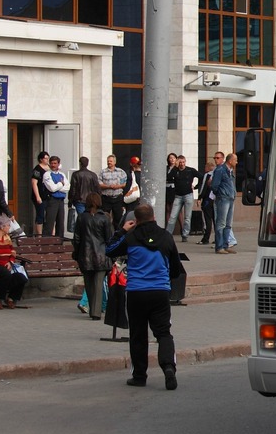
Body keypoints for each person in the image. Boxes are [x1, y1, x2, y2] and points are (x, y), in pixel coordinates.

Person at [105, 203, 180, 390]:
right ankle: (168, 367)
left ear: (135, 220)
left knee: (138, 335)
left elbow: (109, 250)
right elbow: (176, 269)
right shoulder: (166, 237)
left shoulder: (130, 237)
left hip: (136, 292)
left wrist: (122, 231)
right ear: (154, 217)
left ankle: (139, 376)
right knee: (163, 333)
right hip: (160, 292)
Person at [72, 192, 114, 321]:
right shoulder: (104, 218)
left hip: (85, 255)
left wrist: (77, 253)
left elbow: (77, 238)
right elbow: (109, 239)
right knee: (98, 284)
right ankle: (96, 312)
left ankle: (92, 310)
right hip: (102, 256)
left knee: (89, 284)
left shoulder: (81, 218)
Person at [0, 214, 28, 310]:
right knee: (5, 275)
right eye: (8, 225)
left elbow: (12, 252)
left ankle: (11, 298)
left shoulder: (7, 237)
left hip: (7, 264)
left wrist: (10, 262)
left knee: (22, 277)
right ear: (2, 226)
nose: (9, 227)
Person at [165, 155, 200, 242]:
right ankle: (168, 234)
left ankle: (185, 235)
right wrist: (175, 167)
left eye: (183, 162)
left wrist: (196, 187)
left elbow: (201, 176)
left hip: (188, 195)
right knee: (173, 216)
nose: (182, 164)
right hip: (178, 196)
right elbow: (169, 176)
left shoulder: (190, 170)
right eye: (180, 162)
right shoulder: (175, 170)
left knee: (187, 217)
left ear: (185, 162)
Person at [213, 152, 238, 254]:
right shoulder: (221, 170)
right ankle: (219, 247)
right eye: (235, 160)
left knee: (228, 224)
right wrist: (220, 194)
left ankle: (225, 245)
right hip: (223, 198)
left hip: (230, 198)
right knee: (221, 223)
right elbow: (215, 185)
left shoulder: (230, 171)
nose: (237, 162)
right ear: (230, 161)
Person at [68, 156, 101, 230]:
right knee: (90, 219)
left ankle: (82, 236)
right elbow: (97, 188)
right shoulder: (93, 175)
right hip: (91, 200)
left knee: (82, 219)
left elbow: (73, 189)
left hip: (79, 199)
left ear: (80, 163)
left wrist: (70, 201)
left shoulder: (76, 174)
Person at [41, 155, 69, 237]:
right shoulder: (47, 174)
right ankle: (46, 242)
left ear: (58, 164)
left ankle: (59, 241)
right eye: (52, 163)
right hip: (51, 200)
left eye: (55, 163)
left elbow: (67, 187)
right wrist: (61, 184)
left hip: (61, 200)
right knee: (49, 222)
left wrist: (59, 187)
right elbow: (52, 188)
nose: (53, 165)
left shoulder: (62, 174)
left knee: (60, 223)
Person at [99, 154, 128, 226]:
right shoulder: (103, 172)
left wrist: (117, 186)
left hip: (117, 198)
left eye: (111, 161)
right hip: (106, 198)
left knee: (118, 218)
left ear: (115, 162)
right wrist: (109, 186)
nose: (109, 162)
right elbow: (99, 184)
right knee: (104, 217)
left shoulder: (121, 172)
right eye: (108, 161)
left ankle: (116, 233)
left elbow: (124, 184)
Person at [197, 157, 216, 245]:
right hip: (216, 200)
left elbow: (203, 187)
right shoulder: (217, 173)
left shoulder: (207, 175)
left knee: (207, 219)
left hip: (207, 199)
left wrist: (199, 197)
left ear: (208, 168)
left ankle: (206, 238)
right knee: (215, 220)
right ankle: (217, 238)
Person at [30, 150, 49, 236]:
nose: (47, 160)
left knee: (49, 215)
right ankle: (39, 235)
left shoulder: (49, 168)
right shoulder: (37, 170)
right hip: (40, 195)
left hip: (48, 195)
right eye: (46, 158)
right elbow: (34, 183)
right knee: (40, 215)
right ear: (41, 159)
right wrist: (38, 197)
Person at [163, 152, 178, 223]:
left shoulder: (177, 168)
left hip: (174, 188)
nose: (172, 159)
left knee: (174, 208)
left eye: (173, 158)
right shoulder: (166, 168)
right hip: (166, 188)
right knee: (167, 208)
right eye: (170, 158)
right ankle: (168, 225)